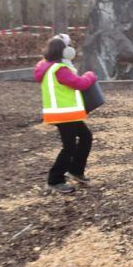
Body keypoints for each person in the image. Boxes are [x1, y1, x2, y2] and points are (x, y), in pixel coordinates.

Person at [33, 34, 98, 194]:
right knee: (69, 147)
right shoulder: (60, 69)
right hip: (64, 113)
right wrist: (90, 75)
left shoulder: (48, 67)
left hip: (65, 113)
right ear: (64, 51)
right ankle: (55, 180)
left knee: (86, 137)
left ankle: (75, 170)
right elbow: (80, 83)